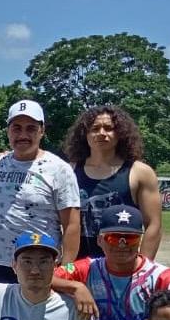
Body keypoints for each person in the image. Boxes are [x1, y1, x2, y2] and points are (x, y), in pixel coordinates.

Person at [0, 100, 81, 283]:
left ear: (42, 131)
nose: (23, 135)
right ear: (8, 131)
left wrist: (65, 271)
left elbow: (71, 225)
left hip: (40, 266)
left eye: (31, 128)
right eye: (16, 128)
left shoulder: (59, 169)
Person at [64, 104, 164, 260]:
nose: (101, 133)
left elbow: (153, 225)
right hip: (77, 266)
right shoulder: (67, 171)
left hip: (122, 266)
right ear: (85, 134)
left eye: (108, 128)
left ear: (121, 133)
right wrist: (66, 267)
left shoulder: (140, 172)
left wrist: (142, 268)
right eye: (95, 128)